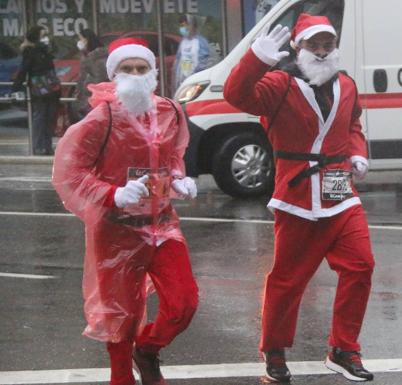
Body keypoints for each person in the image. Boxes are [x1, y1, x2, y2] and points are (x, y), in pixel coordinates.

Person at [224, 14, 375, 383]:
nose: (322, 51)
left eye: (328, 44)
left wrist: (357, 151)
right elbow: (236, 95)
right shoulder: (278, 84)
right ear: (298, 47)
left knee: (361, 265)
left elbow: (352, 123)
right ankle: (274, 352)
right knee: (288, 279)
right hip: (297, 195)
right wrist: (255, 58)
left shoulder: (346, 85)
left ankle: (343, 348)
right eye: (314, 44)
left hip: (341, 192)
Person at [52, 37, 199, 385]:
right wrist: (112, 193)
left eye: (141, 68)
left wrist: (178, 180)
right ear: (113, 75)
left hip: (162, 225)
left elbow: (173, 155)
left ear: (153, 73)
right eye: (126, 69)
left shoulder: (171, 111)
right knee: (121, 317)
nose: (135, 74)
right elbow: (68, 173)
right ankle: (121, 378)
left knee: (184, 303)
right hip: (115, 230)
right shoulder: (100, 118)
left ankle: (147, 349)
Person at [11, 26, 60, 155]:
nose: (45, 38)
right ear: (36, 37)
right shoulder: (30, 52)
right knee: (40, 117)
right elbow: (24, 70)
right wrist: (16, 87)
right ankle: (39, 146)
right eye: (43, 35)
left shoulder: (45, 51)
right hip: (39, 88)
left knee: (48, 117)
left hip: (50, 88)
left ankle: (47, 146)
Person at [70, 27, 108, 123]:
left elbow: (99, 79)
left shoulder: (97, 58)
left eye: (80, 39)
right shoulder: (88, 56)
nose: (79, 42)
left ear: (87, 39)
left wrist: (87, 91)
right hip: (87, 100)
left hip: (92, 101)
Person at [171, 14, 214, 93]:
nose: (184, 28)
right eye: (182, 25)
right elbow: (178, 63)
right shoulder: (183, 43)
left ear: (193, 26)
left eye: (186, 25)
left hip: (197, 82)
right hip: (182, 82)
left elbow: (205, 63)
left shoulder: (201, 42)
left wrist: (196, 76)